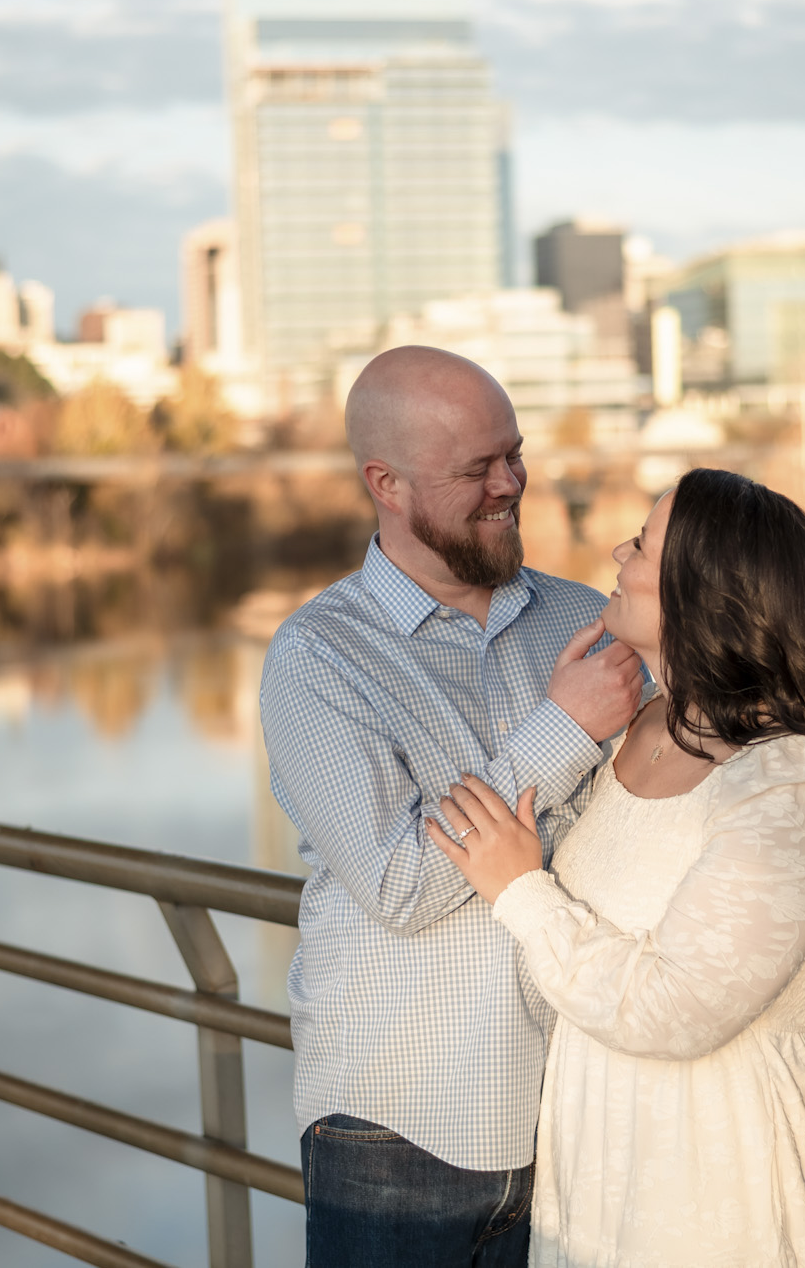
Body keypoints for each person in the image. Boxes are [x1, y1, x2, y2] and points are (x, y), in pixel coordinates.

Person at [430, 467, 805, 1268]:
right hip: (592, 1145)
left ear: (706, 587)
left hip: (713, 1163)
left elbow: (677, 1008)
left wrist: (521, 891)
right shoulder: (641, 722)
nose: (618, 551)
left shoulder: (796, 776)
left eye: (643, 544)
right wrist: (565, 723)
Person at [260, 345, 647, 1267]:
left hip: (579, 1115)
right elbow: (398, 882)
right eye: (476, 469)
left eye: (513, 453)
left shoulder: (583, 617)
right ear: (384, 483)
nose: (510, 483)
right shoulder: (319, 657)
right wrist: (566, 726)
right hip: (399, 1136)